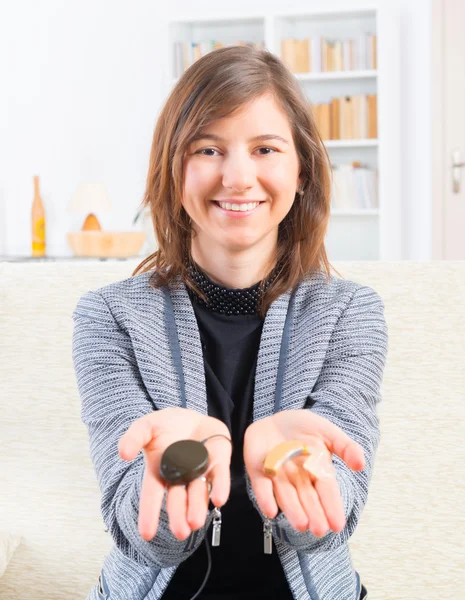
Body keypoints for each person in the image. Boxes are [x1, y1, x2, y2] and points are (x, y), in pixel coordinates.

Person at [72, 45, 387, 600]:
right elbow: (136, 532)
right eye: (208, 149)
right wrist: (172, 475)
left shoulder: (351, 313)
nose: (238, 177)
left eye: (265, 148)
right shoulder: (107, 317)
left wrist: (302, 480)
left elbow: (336, 517)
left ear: (302, 169)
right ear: (173, 169)